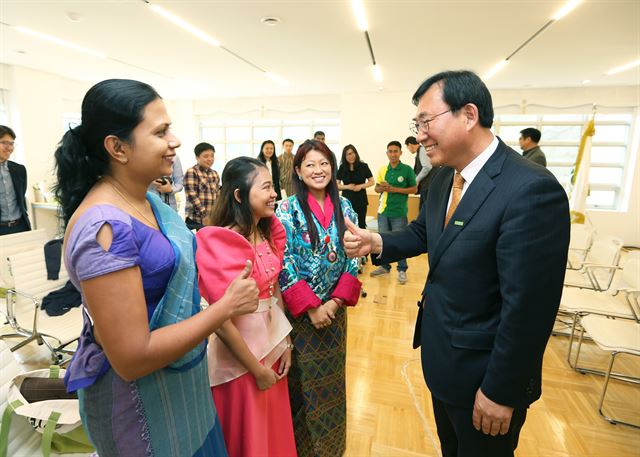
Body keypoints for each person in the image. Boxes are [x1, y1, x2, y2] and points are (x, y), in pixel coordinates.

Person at [344, 70, 570, 457]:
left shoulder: (531, 190)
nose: (420, 134)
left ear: (468, 114)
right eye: (416, 124)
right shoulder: (444, 178)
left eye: (426, 121)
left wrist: (501, 390)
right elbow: (425, 234)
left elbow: (529, 310)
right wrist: (376, 241)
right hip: (443, 360)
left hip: (487, 379)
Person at [54, 79, 259, 457]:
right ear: (117, 148)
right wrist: (224, 308)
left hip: (187, 395)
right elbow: (131, 358)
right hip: (142, 413)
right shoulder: (104, 229)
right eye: (160, 131)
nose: (175, 141)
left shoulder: (148, 202)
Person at [196, 157, 297, 457]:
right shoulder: (222, 242)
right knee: (248, 440)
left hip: (272, 353)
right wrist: (256, 370)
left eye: (273, 186)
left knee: (271, 436)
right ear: (239, 195)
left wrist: (285, 341)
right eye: (266, 187)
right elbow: (220, 320)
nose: (274, 193)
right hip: (240, 363)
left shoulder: (267, 233)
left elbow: (273, 292)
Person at [276, 139, 362, 457]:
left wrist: (334, 303)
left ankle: (331, 449)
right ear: (297, 171)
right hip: (302, 317)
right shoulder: (286, 209)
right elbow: (283, 262)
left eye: (324, 163)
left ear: (332, 168)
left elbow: (355, 258)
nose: (318, 170)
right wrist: (312, 306)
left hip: (335, 315)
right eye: (310, 164)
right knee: (301, 386)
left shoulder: (347, 208)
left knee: (331, 386)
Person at [369, 140, 416, 284]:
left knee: (400, 242)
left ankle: (402, 270)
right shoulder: (383, 169)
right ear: (387, 153)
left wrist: (396, 190)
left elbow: (414, 189)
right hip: (383, 212)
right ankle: (384, 266)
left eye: (396, 151)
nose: (393, 154)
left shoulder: (407, 169)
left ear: (400, 153)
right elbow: (376, 189)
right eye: (390, 151)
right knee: (383, 241)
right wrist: (382, 188)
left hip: (399, 213)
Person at [0, 125, 31, 235]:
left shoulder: (20, 170)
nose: (9, 147)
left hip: (21, 226)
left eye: (11, 143)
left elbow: (21, 196)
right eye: (4, 143)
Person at [336, 144, 374, 229]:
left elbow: (372, 182)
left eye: (352, 153)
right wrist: (347, 187)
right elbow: (336, 185)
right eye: (348, 154)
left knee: (361, 225)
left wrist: (361, 186)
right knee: (348, 226)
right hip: (347, 201)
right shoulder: (342, 167)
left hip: (361, 200)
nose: (351, 156)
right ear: (344, 156)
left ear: (356, 154)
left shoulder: (363, 166)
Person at [184, 142, 220, 230]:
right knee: (198, 242)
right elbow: (192, 195)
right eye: (206, 156)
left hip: (212, 218)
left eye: (212, 156)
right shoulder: (192, 172)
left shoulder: (214, 174)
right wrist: (205, 214)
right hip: (196, 219)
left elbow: (218, 194)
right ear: (197, 157)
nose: (210, 159)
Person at [405, 135, 435, 207]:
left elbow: (427, 167)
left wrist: (416, 180)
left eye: (407, 147)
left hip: (428, 186)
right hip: (427, 186)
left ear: (410, 145)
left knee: (424, 209)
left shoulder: (422, 150)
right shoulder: (421, 151)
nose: (408, 149)